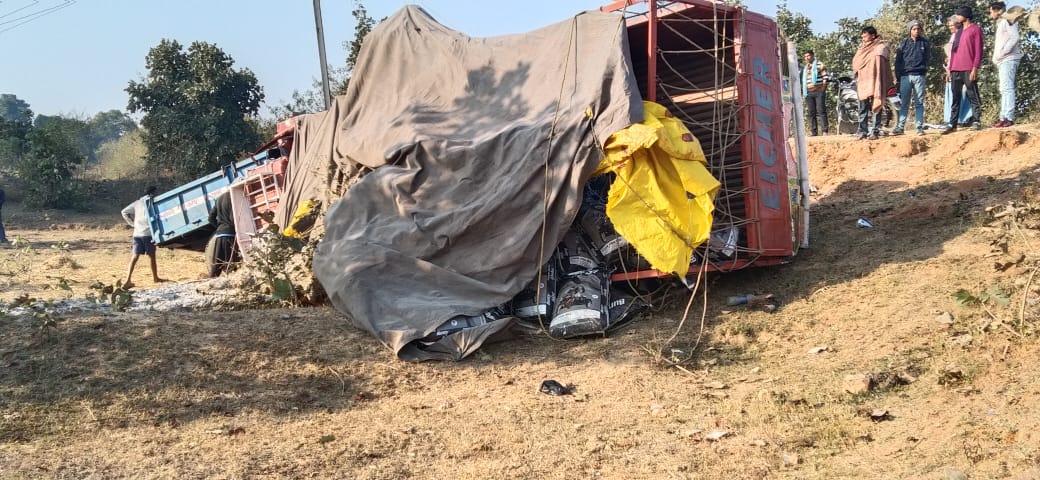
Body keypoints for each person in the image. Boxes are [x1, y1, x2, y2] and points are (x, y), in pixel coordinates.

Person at [944, 5, 984, 133]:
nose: (957, 17)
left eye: (959, 14)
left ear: (965, 16)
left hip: (968, 68)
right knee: (955, 97)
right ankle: (953, 123)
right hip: (956, 68)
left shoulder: (975, 29)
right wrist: (949, 69)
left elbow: (978, 51)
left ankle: (977, 120)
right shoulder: (958, 32)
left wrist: (975, 68)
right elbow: (953, 52)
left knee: (973, 94)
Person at [852, 26, 894, 140]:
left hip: (876, 81)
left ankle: (875, 131)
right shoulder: (861, 49)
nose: (863, 37)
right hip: (864, 82)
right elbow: (856, 64)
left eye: (865, 35)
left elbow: (883, 66)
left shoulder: (880, 48)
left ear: (873, 35)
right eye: (862, 35)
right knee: (862, 108)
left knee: (877, 105)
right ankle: (862, 131)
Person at [121, 186, 166, 289]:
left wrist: (132, 224)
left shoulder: (137, 203)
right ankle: (155, 278)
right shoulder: (153, 202)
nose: (158, 194)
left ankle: (128, 280)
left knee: (134, 257)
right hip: (148, 234)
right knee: (152, 256)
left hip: (137, 234)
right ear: (152, 193)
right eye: (156, 192)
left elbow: (124, 212)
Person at [989, 2, 1025, 128]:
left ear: (996, 10)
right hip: (1004, 60)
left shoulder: (1007, 20)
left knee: (1007, 88)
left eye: (991, 11)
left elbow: (1015, 37)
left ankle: (1008, 117)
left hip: (1008, 59)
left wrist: (1003, 52)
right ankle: (1003, 117)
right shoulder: (1002, 22)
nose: (990, 14)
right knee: (1004, 88)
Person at [893, 20, 930, 135]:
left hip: (919, 75)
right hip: (905, 76)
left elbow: (927, 58)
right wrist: (898, 78)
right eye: (914, 29)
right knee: (904, 103)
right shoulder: (904, 43)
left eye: (918, 29)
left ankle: (919, 127)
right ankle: (900, 127)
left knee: (919, 102)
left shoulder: (924, 43)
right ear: (910, 30)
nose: (916, 31)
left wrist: (923, 69)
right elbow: (898, 61)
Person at [943, 16, 975, 126]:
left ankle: (966, 118)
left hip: (962, 68)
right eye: (949, 26)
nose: (950, 27)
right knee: (954, 94)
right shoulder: (953, 36)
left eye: (952, 25)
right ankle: (953, 119)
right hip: (953, 68)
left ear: (957, 24)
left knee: (965, 93)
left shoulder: (962, 34)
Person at [207, 191, 237, 277]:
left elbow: (210, 218)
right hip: (230, 234)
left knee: (217, 263)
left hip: (220, 234)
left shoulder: (219, 199)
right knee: (231, 261)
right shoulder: (233, 197)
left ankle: (212, 279)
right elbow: (232, 217)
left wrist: (219, 227)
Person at [801, 50, 829, 136]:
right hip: (809, 92)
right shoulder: (805, 68)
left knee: (821, 110)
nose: (807, 58)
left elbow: (826, 77)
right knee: (811, 112)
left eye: (808, 56)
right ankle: (813, 131)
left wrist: (823, 89)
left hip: (818, 90)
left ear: (812, 56)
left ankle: (825, 131)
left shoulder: (819, 64)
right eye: (805, 57)